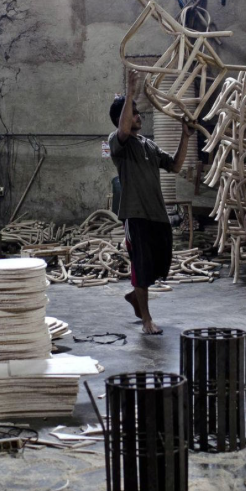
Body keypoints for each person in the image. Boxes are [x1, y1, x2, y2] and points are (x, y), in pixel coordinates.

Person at [108, 70, 192, 335]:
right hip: (136, 215)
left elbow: (175, 166)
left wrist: (185, 136)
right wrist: (130, 91)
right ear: (121, 119)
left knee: (160, 264)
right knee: (142, 267)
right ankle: (146, 320)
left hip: (157, 215)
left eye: (137, 112)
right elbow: (123, 130)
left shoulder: (149, 145)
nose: (138, 116)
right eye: (133, 113)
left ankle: (136, 296)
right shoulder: (117, 143)